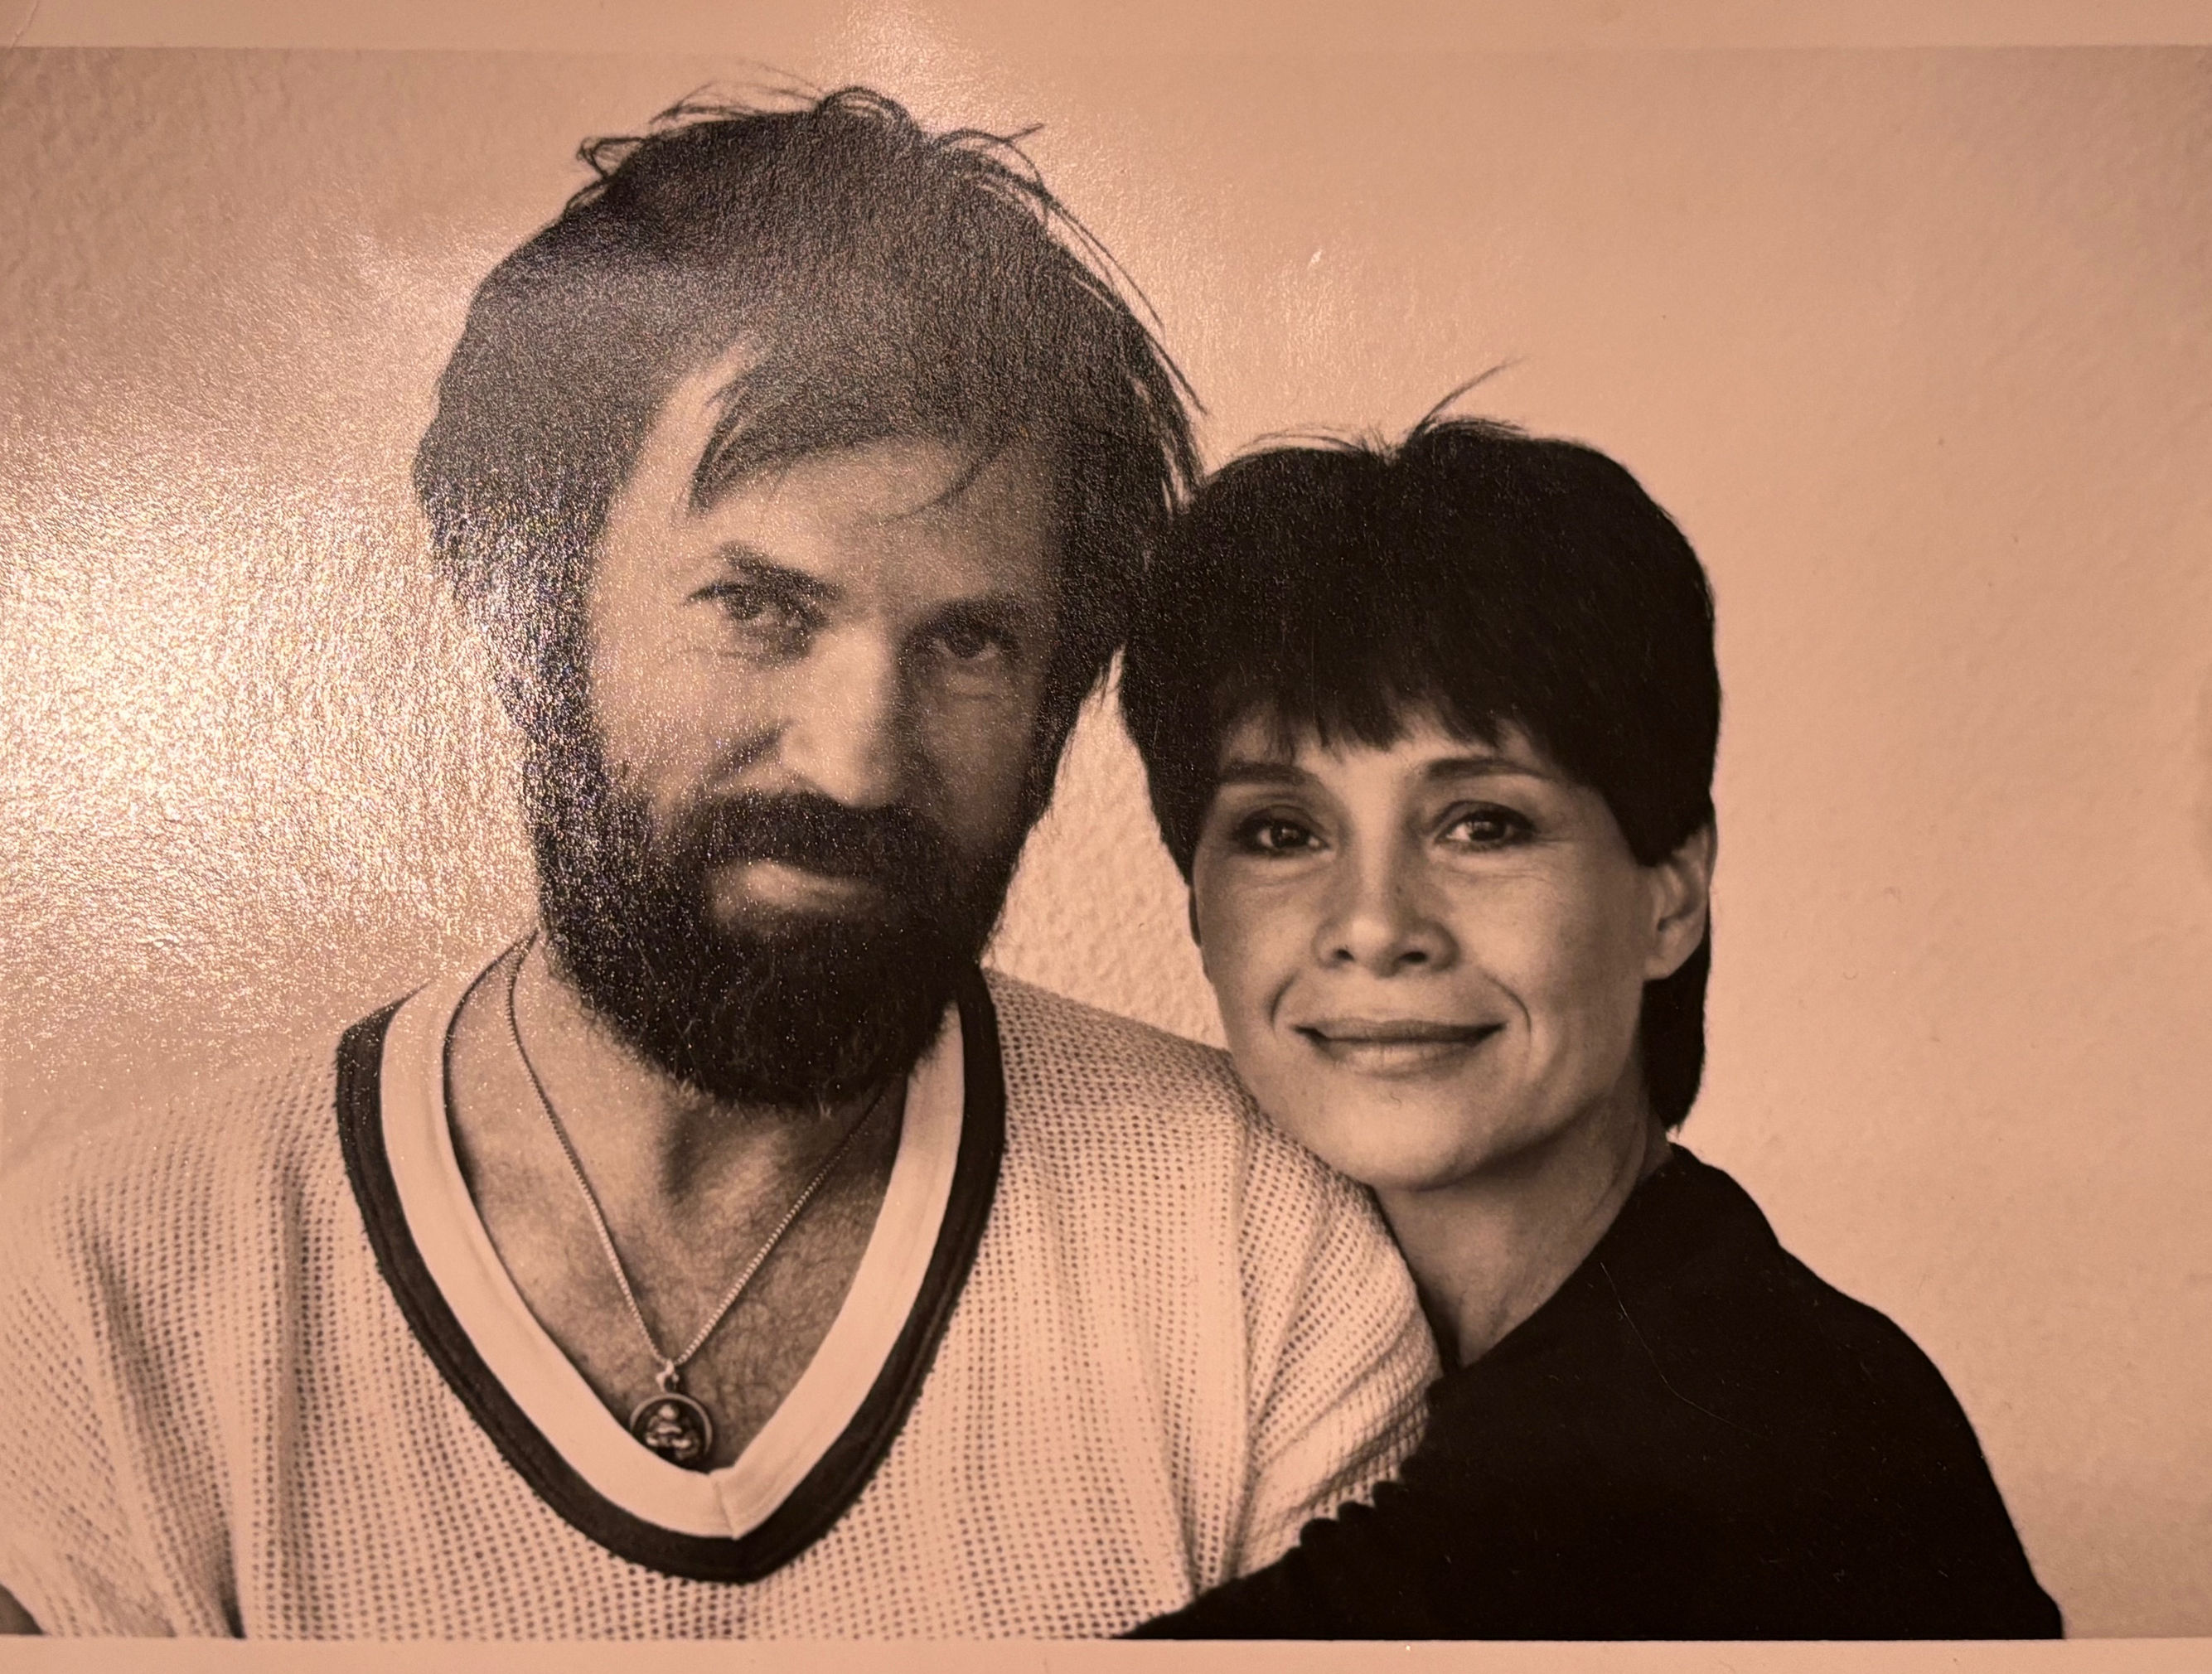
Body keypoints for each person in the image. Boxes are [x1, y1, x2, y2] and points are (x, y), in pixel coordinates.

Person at [0, 91, 1436, 1638]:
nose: (855, 762)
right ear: (524, 606)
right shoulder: (98, 1296)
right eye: (759, 609)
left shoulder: (1260, 1254)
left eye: (967, 642)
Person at [1118, 414, 2064, 1639]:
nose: (1375, 925)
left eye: (1484, 825)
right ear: (1199, 909)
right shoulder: (1302, 1344)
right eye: (1281, 832)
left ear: (1670, 896)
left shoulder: (1747, 1434)